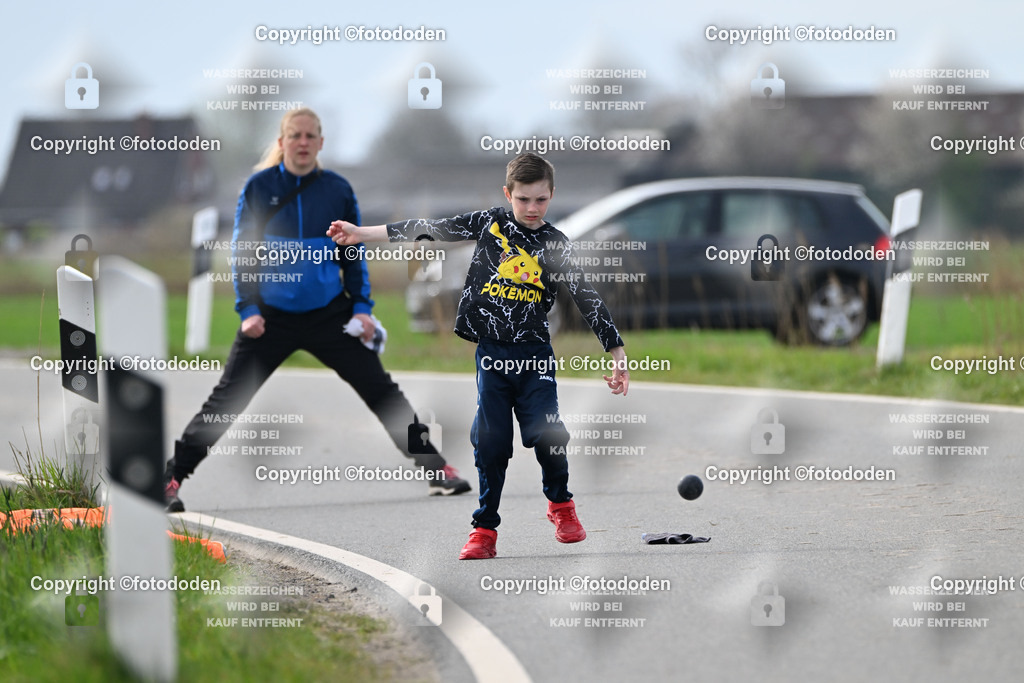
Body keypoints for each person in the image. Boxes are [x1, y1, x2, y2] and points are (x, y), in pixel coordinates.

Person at [163, 107, 470, 512]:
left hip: (330, 315)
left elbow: (353, 254)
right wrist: (248, 309)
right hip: (269, 319)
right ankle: (170, 479)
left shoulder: (337, 190)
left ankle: (436, 469)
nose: (303, 143)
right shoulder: (259, 188)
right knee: (226, 402)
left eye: (310, 136)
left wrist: (361, 308)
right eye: (295, 136)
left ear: (321, 143)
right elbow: (244, 253)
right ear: (282, 142)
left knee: (382, 393)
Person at [327, 152, 628, 559]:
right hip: (492, 355)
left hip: (535, 354)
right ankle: (484, 531)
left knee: (547, 434)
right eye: (523, 200)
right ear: (508, 194)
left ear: (552, 195)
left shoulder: (555, 243)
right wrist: (362, 233)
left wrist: (616, 351)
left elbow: (586, 297)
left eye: (541, 200)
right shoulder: (490, 223)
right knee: (490, 442)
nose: (532, 208)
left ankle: (561, 506)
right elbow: (429, 229)